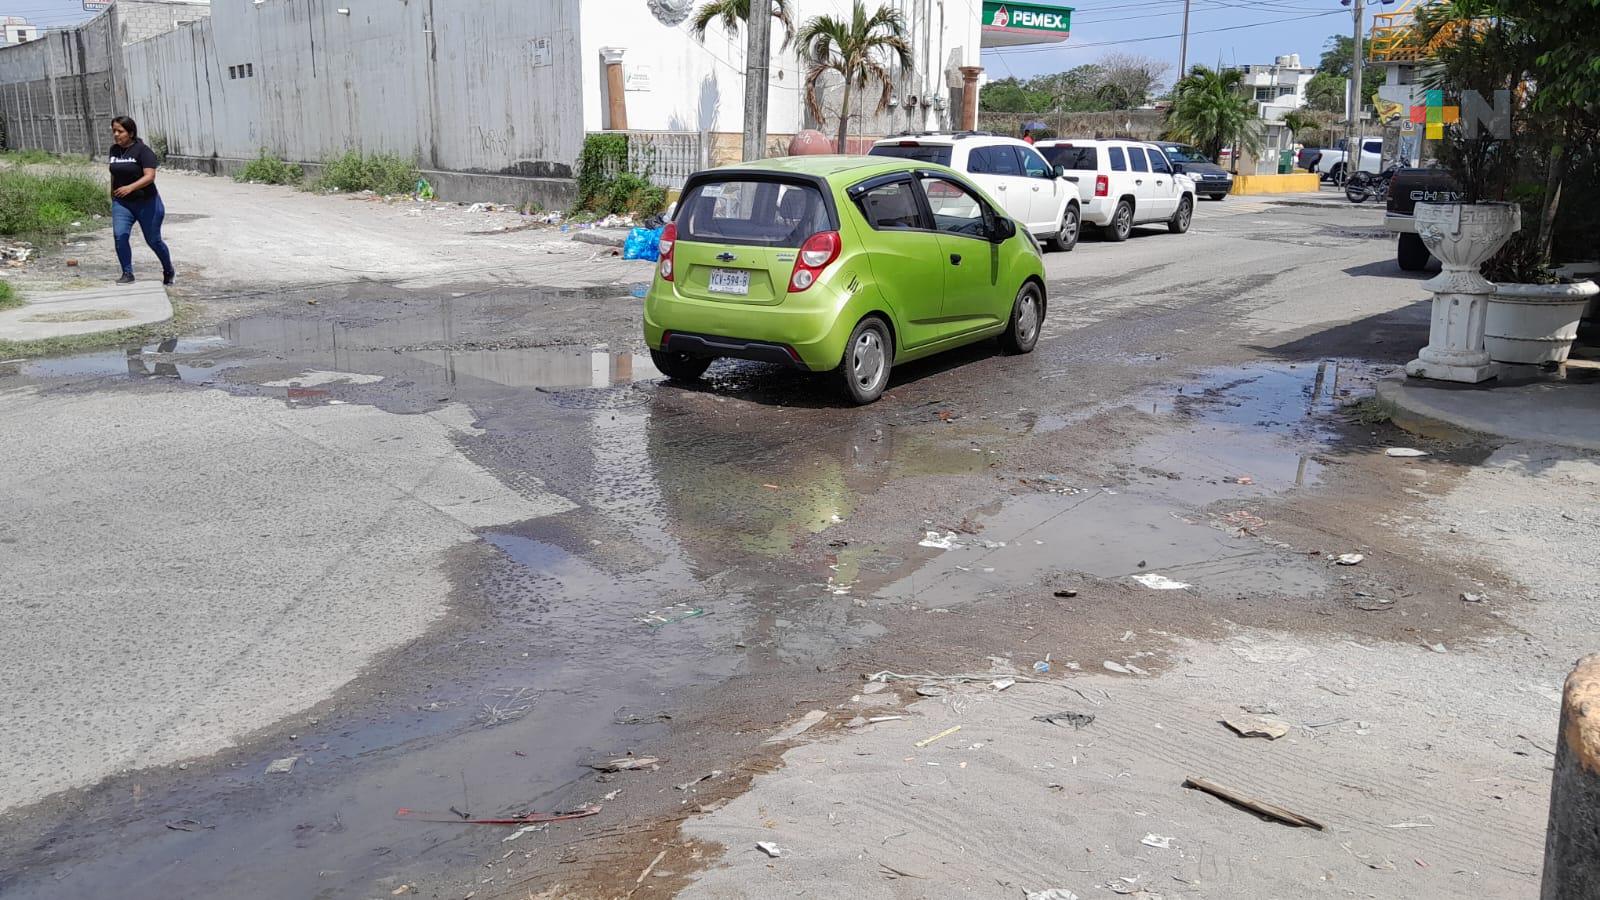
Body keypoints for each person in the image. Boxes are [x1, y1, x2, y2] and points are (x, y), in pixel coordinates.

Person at [108, 116, 174, 285]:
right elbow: (114, 173)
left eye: (120, 131)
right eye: (114, 131)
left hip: (147, 202)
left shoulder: (143, 151)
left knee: (153, 240)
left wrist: (130, 188)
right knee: (120, 235)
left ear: (130, 133)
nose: (116, 134)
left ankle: (168, 269)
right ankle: (127, 273)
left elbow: (150, 176)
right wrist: (112, 195)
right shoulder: (114, 150)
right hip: (122, 203)